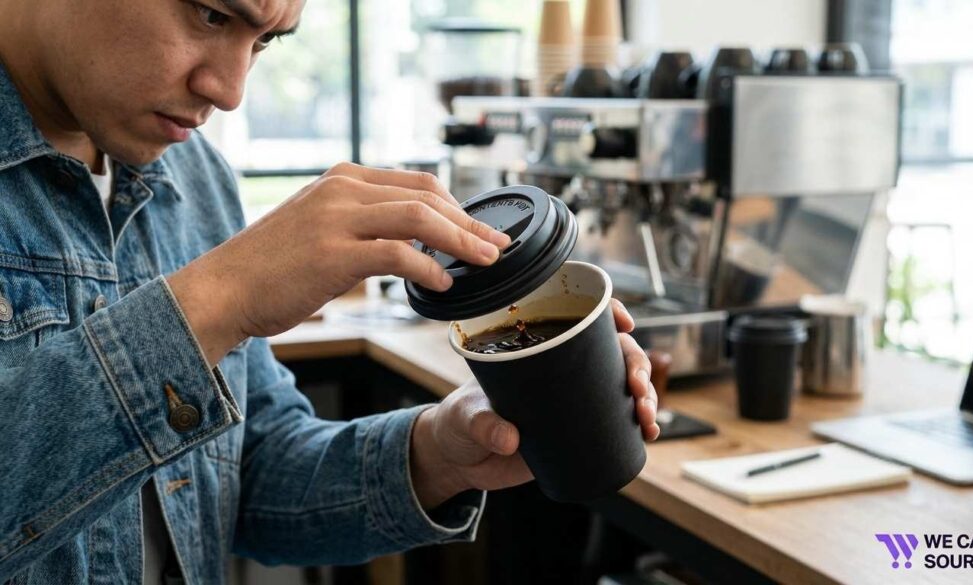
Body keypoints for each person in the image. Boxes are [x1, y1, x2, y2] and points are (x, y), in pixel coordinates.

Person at [0, 1, 661, 583]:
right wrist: (220, 296)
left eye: (265, 41)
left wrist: (439, 453)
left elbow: (249, 476)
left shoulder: (194, 178)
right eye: (210, 14)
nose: (229, 91)